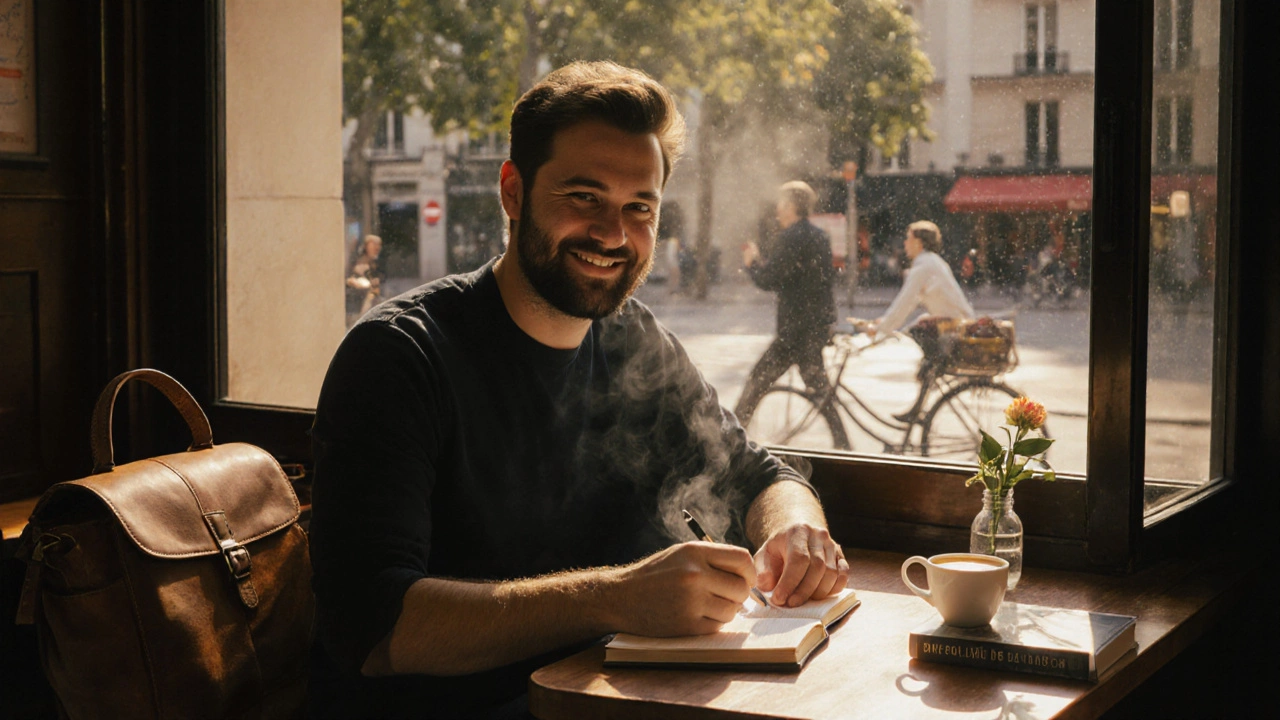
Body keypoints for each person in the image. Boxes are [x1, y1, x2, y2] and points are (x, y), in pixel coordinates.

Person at [308, 61, 849, 720]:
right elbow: (375, 629)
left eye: (639, 208)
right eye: (583, 197)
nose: (613, 234)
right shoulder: (399, 356)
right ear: (513, 192)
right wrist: (614, 598)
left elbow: (755, 471)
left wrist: (796, 528)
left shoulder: (634, 339)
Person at [733, 181, 841, 433]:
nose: (778, 210)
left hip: (795, 330)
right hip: (816, 325)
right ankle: (843, 444)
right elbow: (810, 277)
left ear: (791, 206)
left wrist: (751, 264)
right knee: (819, 390)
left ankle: (731, 442)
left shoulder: (790, 236)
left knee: (756, 383)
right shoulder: (819, 235)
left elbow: (770, 279)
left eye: (781, 204)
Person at [857, 220, 974, 342]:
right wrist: (885, 321)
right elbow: (910, 301)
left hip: (954, 330)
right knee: (915, 327)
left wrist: (880, 328)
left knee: (912, 335)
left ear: (918, 243)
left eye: (908, 239)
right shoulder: (933, 261)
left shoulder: (923, 266)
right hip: (960, 324)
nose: (905, 243)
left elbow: (905, 302)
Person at [345, 234, 385, 325]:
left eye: (378, 245)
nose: (376, 248)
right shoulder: (358, 260)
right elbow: (349, 277)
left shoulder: (378, 263)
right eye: (373, 245)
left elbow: (381, 278)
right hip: (358, 297)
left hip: (372, 298)